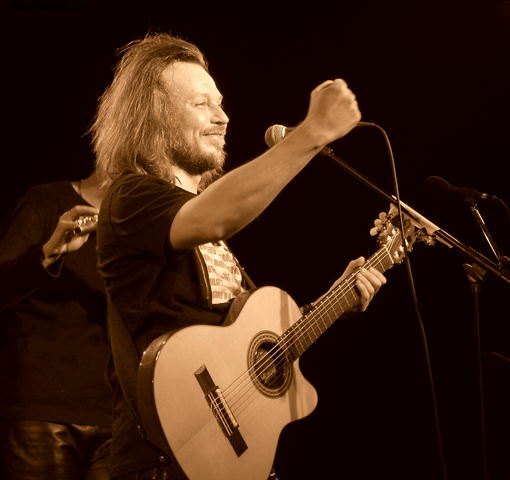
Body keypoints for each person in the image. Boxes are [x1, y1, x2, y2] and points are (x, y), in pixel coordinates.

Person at [91, 33, 387, 480]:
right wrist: (311, 134)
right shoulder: (130, 198)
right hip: (163, 462)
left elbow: (252, 353)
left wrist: (335, 301)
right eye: (201, 104)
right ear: (153, 116)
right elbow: (219, 218)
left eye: (221, 103)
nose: (223, 117)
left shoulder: (204, 228)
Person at [0, 171, 113, 480]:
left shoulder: (142, 225)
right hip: (41, 413)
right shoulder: (45, 201)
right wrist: (48, 253)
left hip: (115, 416)